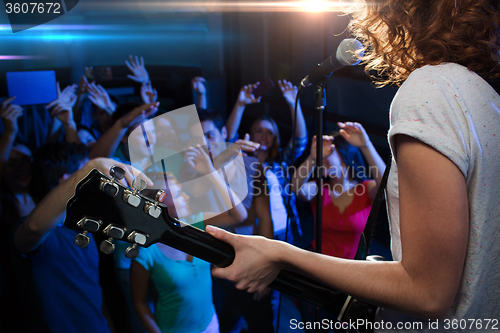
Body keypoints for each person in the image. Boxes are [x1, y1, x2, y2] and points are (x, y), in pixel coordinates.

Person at [205, 0, 500, 330]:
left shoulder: (429, 90)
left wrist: (281, 255)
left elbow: (428, 292)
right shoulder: (483, 96)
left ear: (395, 13)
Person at [11, 143, 123, 333]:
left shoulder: (82, 227)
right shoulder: (40, 230)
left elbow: (92, 292)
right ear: (70, 180)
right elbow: (33, 227)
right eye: (90, 176)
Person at [130, 173, 219, 333]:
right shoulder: (146, 253)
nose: (186, 197)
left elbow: (239, 215)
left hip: (211, 324)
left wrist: (209, 169)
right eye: (178, 194)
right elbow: (139, 303)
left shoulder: (196, 225)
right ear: (159, 203)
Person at [225, 79, 307, 243]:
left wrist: (293, 104)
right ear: (251, 134)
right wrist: (240, 104)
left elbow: (300, 140)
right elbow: (227, 140)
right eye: (259, 131)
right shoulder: (242, 162)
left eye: (269, 132)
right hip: (253, 231)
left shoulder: (280, 163)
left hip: (284, 230)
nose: (263, 135)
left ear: (275, 138)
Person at [292, 123, 386, 259]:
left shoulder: (366, 189)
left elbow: (385, 186)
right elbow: (295, 188)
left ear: (343, 155)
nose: (321, 158)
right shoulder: (319, 188)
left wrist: (366, 145)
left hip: (353, 268)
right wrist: (312, 158)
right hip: (319, 264)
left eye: (327, 152)